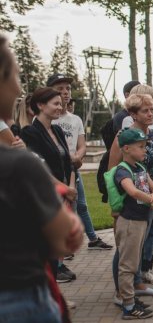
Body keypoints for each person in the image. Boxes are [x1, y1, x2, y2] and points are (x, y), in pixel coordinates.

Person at [0, 34, 84, 323]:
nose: (18, 87)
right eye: (16, 76)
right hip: (17, 304)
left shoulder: (55, 135)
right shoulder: (19, 162)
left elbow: (68, 161)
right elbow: (66, 238)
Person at [109, 94, 153, 294]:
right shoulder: (124, 136)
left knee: (144, 239)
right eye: (145, 111)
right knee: (126, 246)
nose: (150, 114)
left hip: (152, 195)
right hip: (130, 201)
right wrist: (115, 206)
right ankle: (121, 290)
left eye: (152, 110)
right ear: (133, 114)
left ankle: (138, 281)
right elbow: (112, 170)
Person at [48, 73, 112, 251]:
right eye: (60, 89)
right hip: (55, 172)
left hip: (72, 169)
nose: (65, 92)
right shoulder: (48, 118)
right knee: (64, 208)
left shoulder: (75, 119)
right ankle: (63, 247)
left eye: (68, 88)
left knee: (81, 205)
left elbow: (82, 145)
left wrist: (78, 157)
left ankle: (92, 239)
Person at [21, 87, 78, 284]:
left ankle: (54, 293)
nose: (60, 107)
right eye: (55, 104)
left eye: (61, 104)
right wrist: (65, 189)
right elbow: (38, 168)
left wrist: (70, 188)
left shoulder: (58, 130)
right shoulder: (30, 133)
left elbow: (68, 163)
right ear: (40, 105)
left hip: (63, 197)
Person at [113, 128, 153, 320]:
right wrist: (151, 199)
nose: (144, 150)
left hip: (140, 221)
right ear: (126, 148)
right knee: (127, 265)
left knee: (134, 263)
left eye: (145, 146)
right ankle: (128, 306)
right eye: (140, 146)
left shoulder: (140, 167)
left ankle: (131, 298)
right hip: (129, 222)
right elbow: (132, 191)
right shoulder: (122, 170)